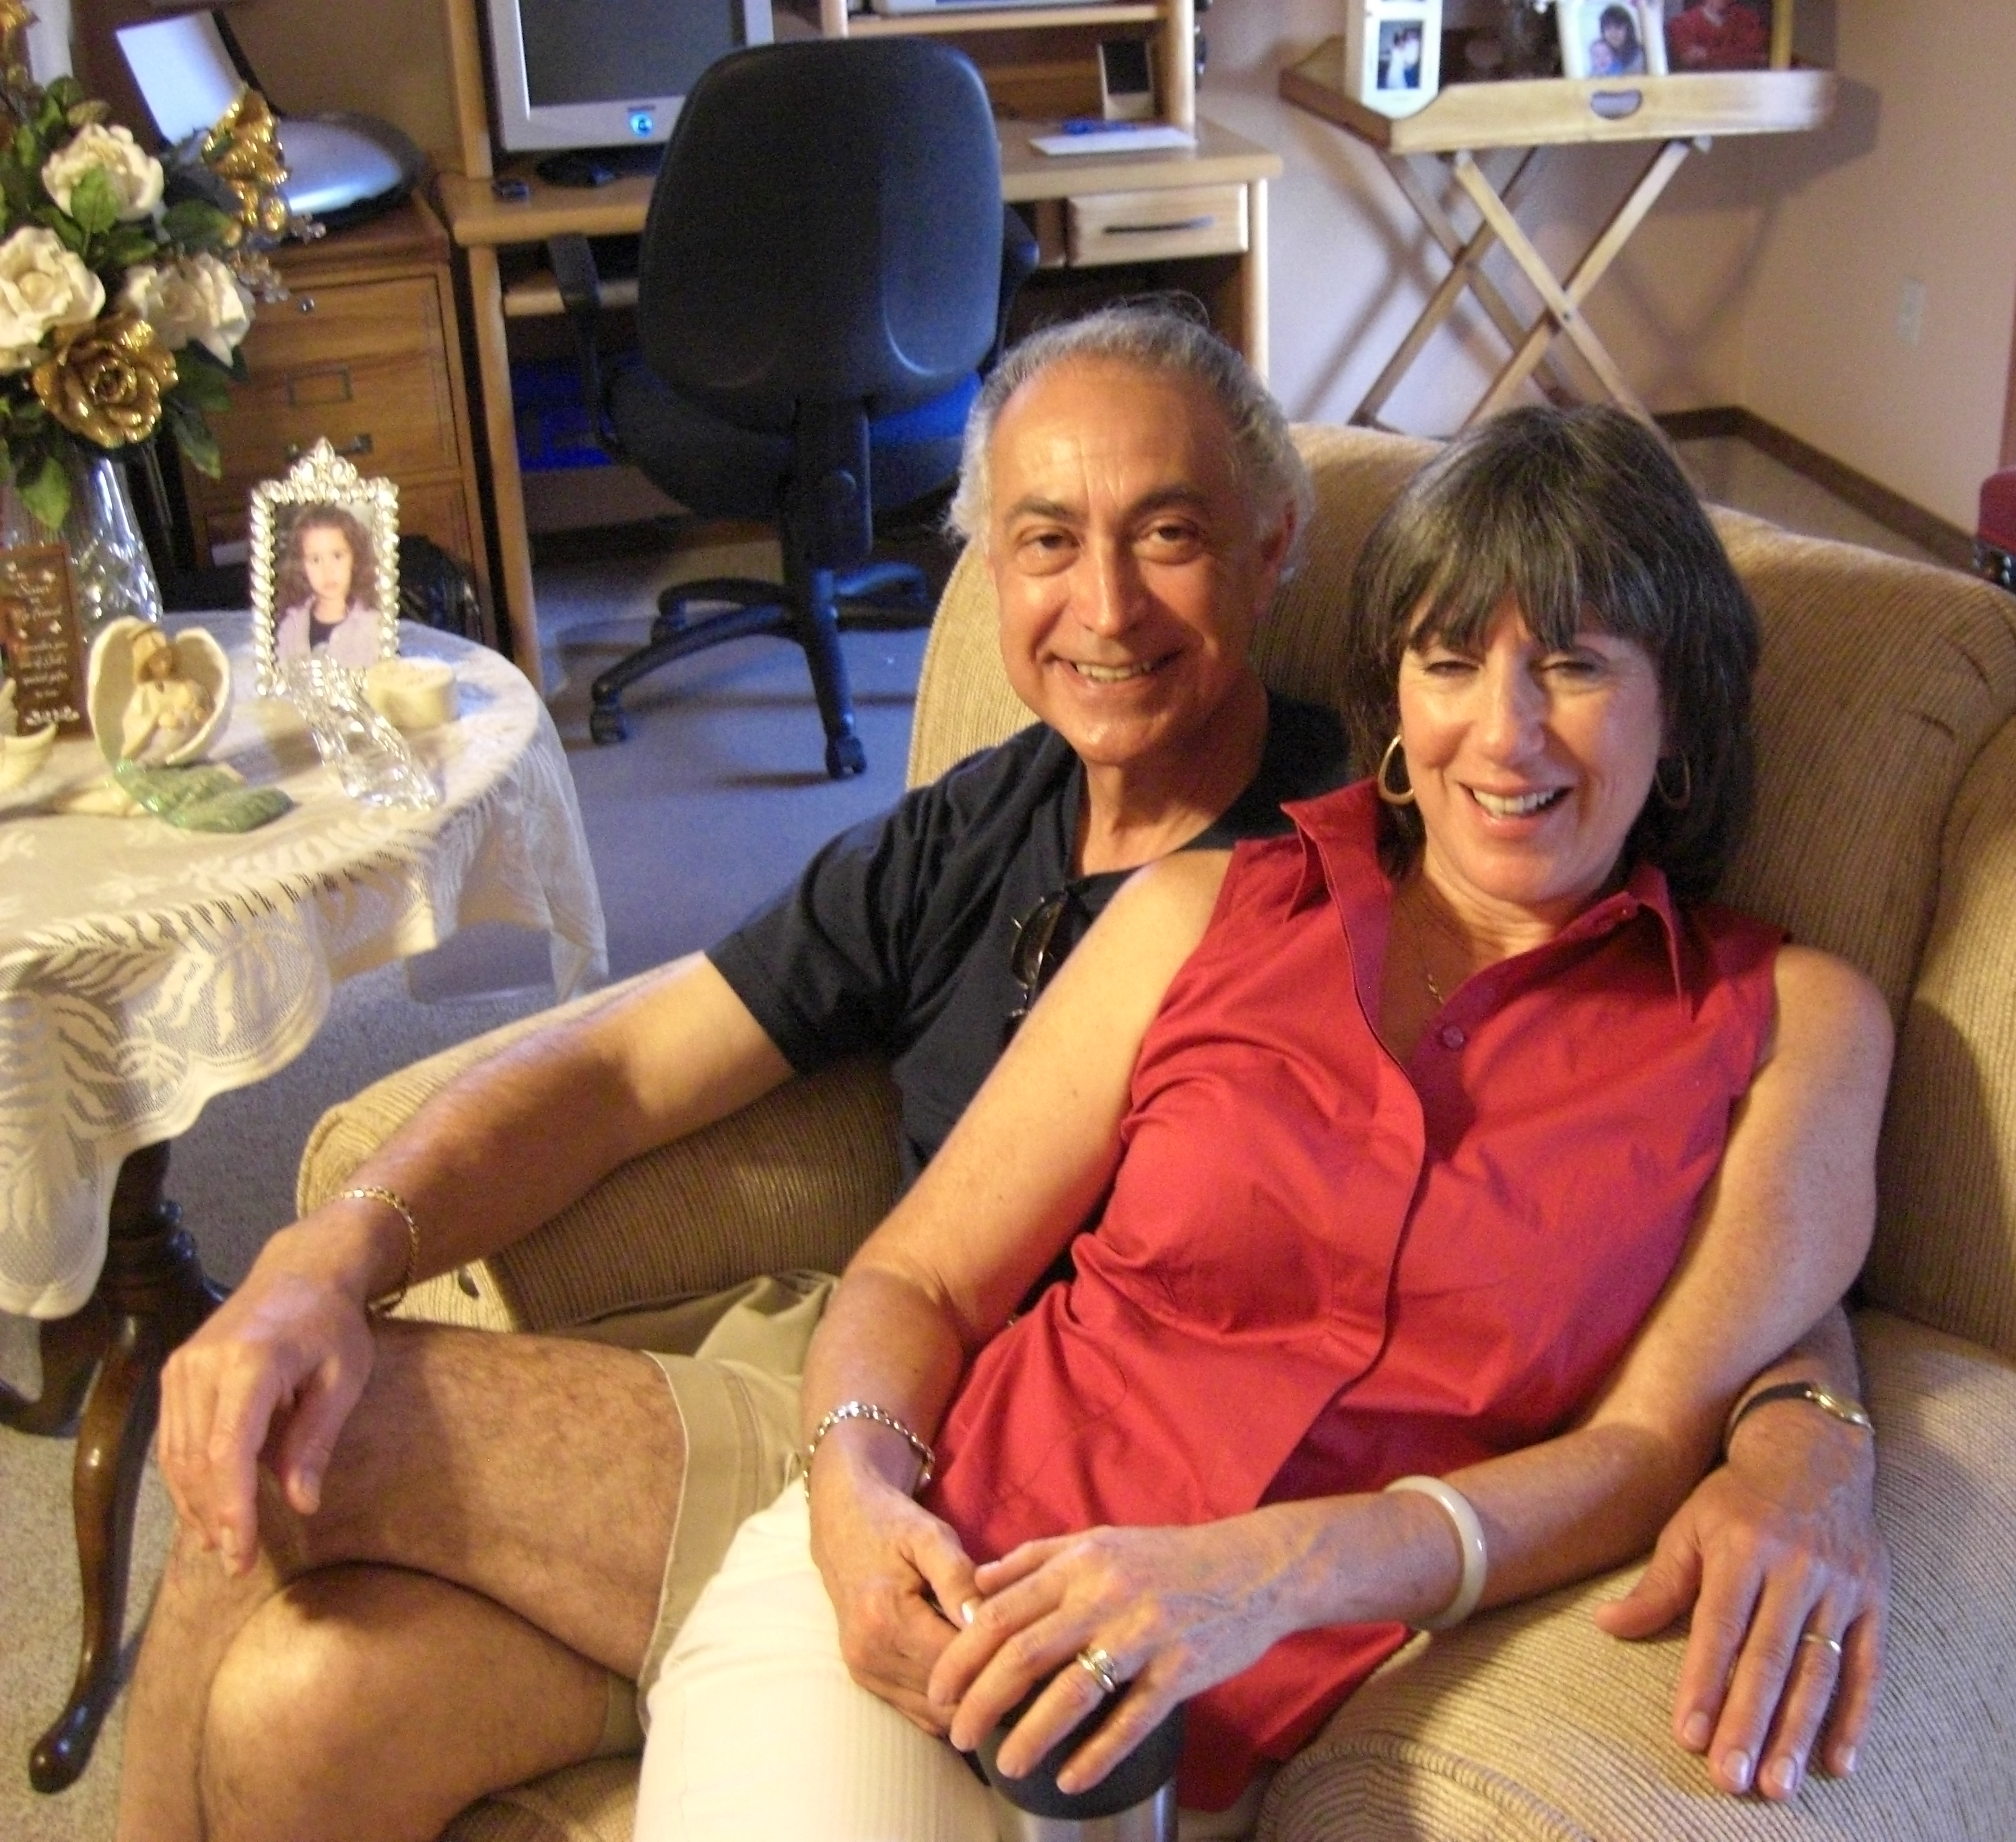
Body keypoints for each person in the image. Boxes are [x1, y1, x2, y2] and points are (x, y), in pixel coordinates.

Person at [121, 309, 1884, 1842]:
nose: (1505, 729)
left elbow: (1690, 1317)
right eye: (1047, 541)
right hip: (923, 1474)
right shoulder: (1103, 870)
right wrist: (326, 1255)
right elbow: (654, 1088)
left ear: (1275, 550)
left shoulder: (1707, 982)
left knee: (306, 1630)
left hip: (1162, 1643)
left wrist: (1808, 1428)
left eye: (1168, 535)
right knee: (287, 1581)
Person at [636, 403, 1891, 1837]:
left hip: (1216, 1717)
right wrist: (855, 1492)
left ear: (1679, 717)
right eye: (1449, 661)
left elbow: (1647, 1446)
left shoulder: (1792, 1025)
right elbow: (920, 1277)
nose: (1505, 730)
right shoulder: (1199, 911)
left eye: (1574, 666)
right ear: (1396, 706)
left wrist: (1263, 1575)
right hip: (928, 1589)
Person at [271, 502, 383, 668]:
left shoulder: (374, 626)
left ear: (356, 558)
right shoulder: (291, 625)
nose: (328, 571)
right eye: (315, 560)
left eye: (337, 556)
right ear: (301, 566)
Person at [119, 624, 213, 763]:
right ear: (146, 665)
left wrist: (202, 715)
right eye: (156, 662)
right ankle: (140, 764)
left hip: (188, 742)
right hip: (160, 743)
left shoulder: (185, 683)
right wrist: (158, 720)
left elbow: (206, 704)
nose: (163, 665)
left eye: (166, 658)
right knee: (158, 749)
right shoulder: (145, 692)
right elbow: (132, 721)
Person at [1666, 0, 1770, 72]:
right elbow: (1688, 59)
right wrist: (1738, 54)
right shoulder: (1683, 24)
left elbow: (1759, 57)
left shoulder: (1750, 20)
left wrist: (1706, 55)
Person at [1589, 4, 1643, 76]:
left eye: (1618, 26)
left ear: (1628, 29)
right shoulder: (1601, 56)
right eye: (1608, 28)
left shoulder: (1639, 56)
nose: (1613, 33)